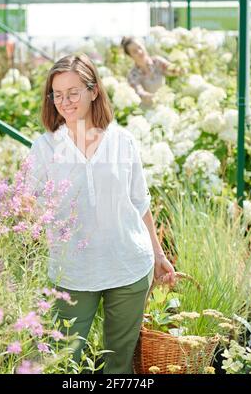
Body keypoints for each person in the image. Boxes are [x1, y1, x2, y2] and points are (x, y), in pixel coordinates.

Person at [25, 53, 176, 374]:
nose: (64, 101)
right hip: (73, 273)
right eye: (57, 94)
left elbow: (140, 202)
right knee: (63, 362)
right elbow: (30, 206)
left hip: (128, 266)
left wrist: (158, 253)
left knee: (119, 365)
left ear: (94, 91)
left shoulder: (123, 142)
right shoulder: (44, 148)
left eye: (73, 92)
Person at [121, 36, 183, 108]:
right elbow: (139, 92)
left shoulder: (157, 62)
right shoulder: (132, 75)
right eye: (135, 51)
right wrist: (154, 97)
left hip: (164, 106)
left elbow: (173, 70)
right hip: (147, 111)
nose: (140, 52)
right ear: (130, 56)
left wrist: (180, 67)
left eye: (140, 47)